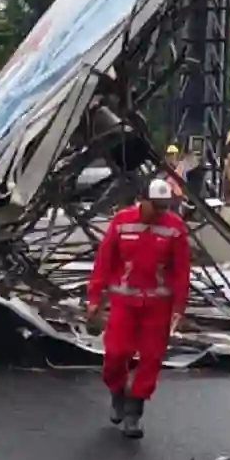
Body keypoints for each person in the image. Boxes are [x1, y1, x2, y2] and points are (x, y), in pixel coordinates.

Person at [85, 178, 192, 439]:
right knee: (115, 354)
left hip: (157, 306)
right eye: (155, 206)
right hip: (124, 304)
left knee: (151, 359)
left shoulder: (175, 227)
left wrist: (179, 307)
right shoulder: (122, 222)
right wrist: (94, 298)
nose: (159, 212)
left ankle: (134, 411)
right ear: (142, 201)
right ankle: (117, 392)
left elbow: (181, 271)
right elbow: (104, 261)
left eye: (164, 207)